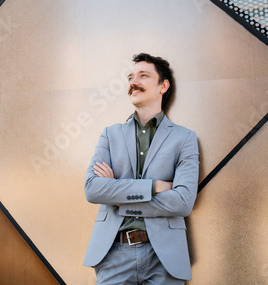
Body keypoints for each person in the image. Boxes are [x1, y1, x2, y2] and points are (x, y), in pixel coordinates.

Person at [83, 53, 199, 284]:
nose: (134, 82)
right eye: (131, 77)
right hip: (114, 252)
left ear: (163, 86)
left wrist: (118, 196)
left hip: (164, 257)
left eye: (143, 76)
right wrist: (154, 186)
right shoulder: (110, 134)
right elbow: (93, 189)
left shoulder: (185, 138)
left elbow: (183, 202)